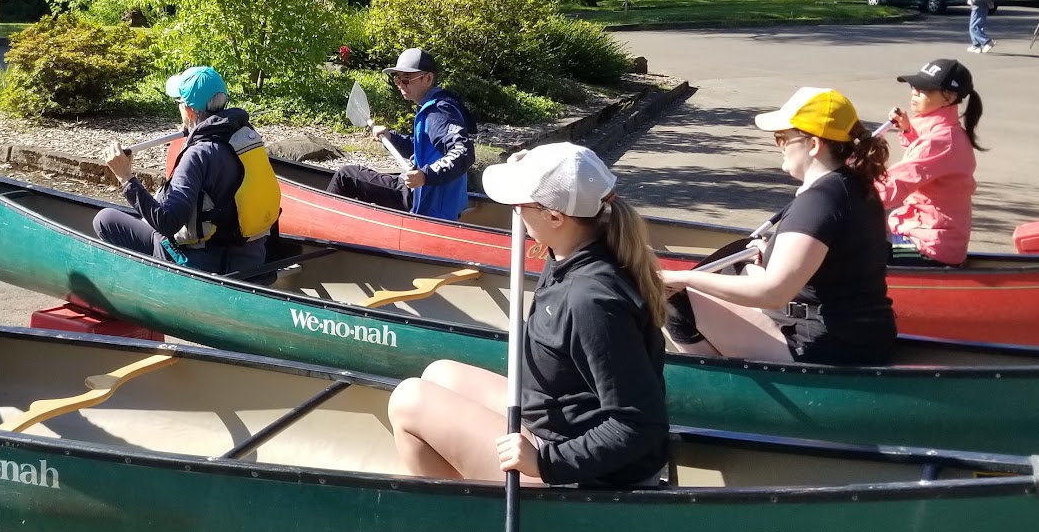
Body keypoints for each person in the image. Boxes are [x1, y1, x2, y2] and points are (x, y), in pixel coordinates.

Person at [387, 143, 671, 488]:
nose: (514, 211)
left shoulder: (591, 301)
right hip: (556, 422)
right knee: (438, 374)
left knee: (408, 400)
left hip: (583, 468)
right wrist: (526, 168)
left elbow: (640, 426)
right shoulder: (577, 245)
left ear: (554, 217)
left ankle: (460, 519)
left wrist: (544, 462)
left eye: (520, 205)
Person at [659, 88, 898, 366]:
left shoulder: (819, 201)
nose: (779, 146)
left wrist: (682, 278)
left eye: (783, 138)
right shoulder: (856, 185)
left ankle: (724, 391)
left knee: (674, 297)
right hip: (864, 335)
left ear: (813, 145)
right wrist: (769, 249)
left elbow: (774, 293)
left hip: (824, 344)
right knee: (736, 272)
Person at [95, 66, 282, 275]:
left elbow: (168, 224)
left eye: (179, 103)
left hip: (204, 265)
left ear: (189, 110)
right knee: (144, 218)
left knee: (105, 219)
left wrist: (125, 177)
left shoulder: (198, 154)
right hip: (251, 259)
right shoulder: (245, 136)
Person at [325, 47, 475, 221]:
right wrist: (391, 138)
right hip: (422, 193)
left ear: (428, 78)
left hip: (424, 200)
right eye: (398, 80)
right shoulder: (432, 107)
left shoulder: (439, 112)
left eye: (406, 80)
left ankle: (324, 226)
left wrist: (426, 175)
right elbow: (422, 147)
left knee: (346, 176)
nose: (400, 85)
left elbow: (464, 152)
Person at [879, 59, 985, 266]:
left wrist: (847, 193)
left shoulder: (942, 140)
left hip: (929, 246)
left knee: (848, 250)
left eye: (925, 88)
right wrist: (908, 131)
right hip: (922, 232)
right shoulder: (944, 131)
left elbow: (898, 182)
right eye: (914, 86)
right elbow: (925, 161)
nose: (915, 92)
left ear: (949, 97)